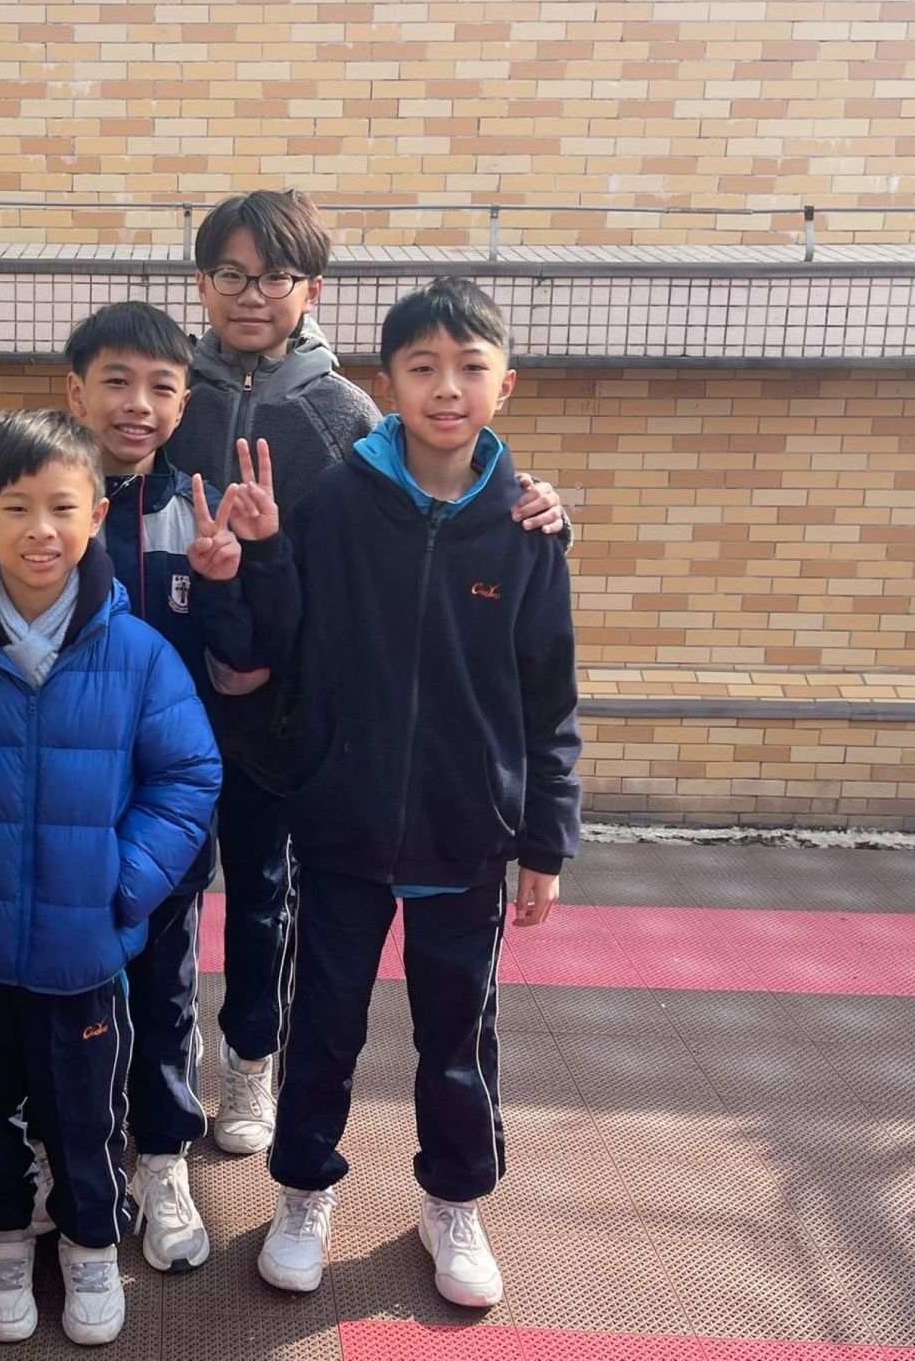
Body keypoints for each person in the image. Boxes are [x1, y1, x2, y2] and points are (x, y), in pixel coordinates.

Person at [196, 277, 582, 1306]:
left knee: (458, 1035)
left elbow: (550, 698)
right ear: (390, 382)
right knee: (323, 1025)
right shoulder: (339, 502)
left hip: (468, 835)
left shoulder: (527, 528)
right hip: (344, 826)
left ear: (505, 384)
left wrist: (545, 843)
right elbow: (283, 636)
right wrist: (259, 553)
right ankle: (303, 1192)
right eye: (422, 368)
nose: (446, 387)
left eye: (468, 368)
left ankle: (453, 1202)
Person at [0, 409, 221, 1347]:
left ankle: (92, 1244)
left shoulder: (137, 652)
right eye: (15, 507)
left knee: (86, 1111)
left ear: (96, 515)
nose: (40, 530)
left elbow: (189, 777)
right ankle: (3, 1235)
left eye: (62, 507)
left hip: (85, 949)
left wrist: (124, 882)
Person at [55, 300, 267, 1275]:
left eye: (160, 387)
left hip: (171, 806)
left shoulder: (199, 511)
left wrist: (224, 585)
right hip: (62, 801)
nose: (136, 404)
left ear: (184, 405)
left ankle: (164, 1158)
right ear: (77, 392)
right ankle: (73, 1157)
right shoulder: (46, 502)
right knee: (66, 989)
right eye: (116, 382)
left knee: (166, 984)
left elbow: (243, 667)